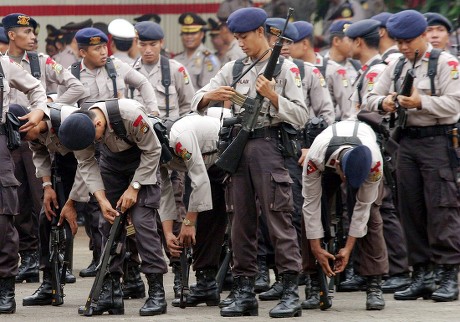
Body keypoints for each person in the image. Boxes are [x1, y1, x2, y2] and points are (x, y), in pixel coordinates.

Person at [192, 7, 308, 318]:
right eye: (237, 38)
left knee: (278, 219)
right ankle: (244, 291)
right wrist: (210, 96)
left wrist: (273, 97)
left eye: (244, 37)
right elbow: (197, 98)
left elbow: (301, 115)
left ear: (261, 32)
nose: (240, 43)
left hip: (269, 145)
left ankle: (289, 291)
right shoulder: (232, 69)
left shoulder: (286, 69)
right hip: (237, 148)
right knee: (240, 221)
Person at [365, 10, 460, 303]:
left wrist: (422, 103)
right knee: (411, 208)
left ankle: (447, 273)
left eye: (408, 42)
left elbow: (455, 104)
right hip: (405, 144)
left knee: (441, 207)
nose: (403, 47)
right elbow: (369, 98)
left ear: (422, 35)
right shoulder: (394, 65)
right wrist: (386, 101)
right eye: (399, 42)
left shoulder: (446, 63)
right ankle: (421, 272)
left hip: (437, 141)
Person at [58, 98, 167, 316]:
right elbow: (87, 163)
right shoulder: (78, 126)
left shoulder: (130, 115)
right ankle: (110, 293)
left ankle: (157, 292)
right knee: (107, 226)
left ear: (98, 124)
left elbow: (153, 151)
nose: (93, 143)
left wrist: (134, 187)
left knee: (142, 223)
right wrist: (102, 200)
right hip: (112, 165)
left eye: (94, 139)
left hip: (144, 162)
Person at [2, 12, 87, 289]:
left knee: (43, 199)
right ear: (11, 35)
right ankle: (28, 258)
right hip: (10, 139)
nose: (33, 37)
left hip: (38, 135)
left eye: (33, 33)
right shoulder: (3, 63)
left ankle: (56, 259)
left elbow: (76, 86)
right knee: (19, 201)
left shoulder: (42, 61)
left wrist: (49, 109)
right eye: (26, 33)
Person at [343, 18, 411, 294]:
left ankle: (397, 269)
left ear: (358, 42)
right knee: (369, 210)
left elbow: (371, 113)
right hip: (364, 145)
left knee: (383, 209)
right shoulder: (368, 70)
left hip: (374, 147)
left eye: (349, 39)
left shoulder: (375, 72)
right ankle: (365, 268)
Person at [302, 119, 388, 310]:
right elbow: (311, 204)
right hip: (327, 161)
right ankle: (314, 283)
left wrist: (347, 249)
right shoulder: (316, 157)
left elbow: (362, 208)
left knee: (372, 216)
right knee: (310, 217)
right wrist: (316, 247)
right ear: (339, 165)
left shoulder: (374, 164)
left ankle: (374, 284)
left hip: (363, 153)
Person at [158, 113, 227, 308]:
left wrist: (188, 223)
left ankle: (239, 280)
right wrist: (168, 233)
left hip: (228, 152)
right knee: (204, 216)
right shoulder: (153, 149)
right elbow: (164, 193)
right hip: (207, 163)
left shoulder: (180, 139)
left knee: (234, 218)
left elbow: (201, 182)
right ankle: (206, 284)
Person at [0, 54, 48, 315]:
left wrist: (39, 110)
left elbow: (35, 87)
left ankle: (5, 288)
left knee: (4, 219)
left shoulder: (3, 64)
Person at [174, 12, 220, 90]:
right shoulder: (176, 60)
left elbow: (209, 90)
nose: (189, 37)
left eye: (193, 33)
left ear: (202, 35)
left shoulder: (209, 59)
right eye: (186, 33)